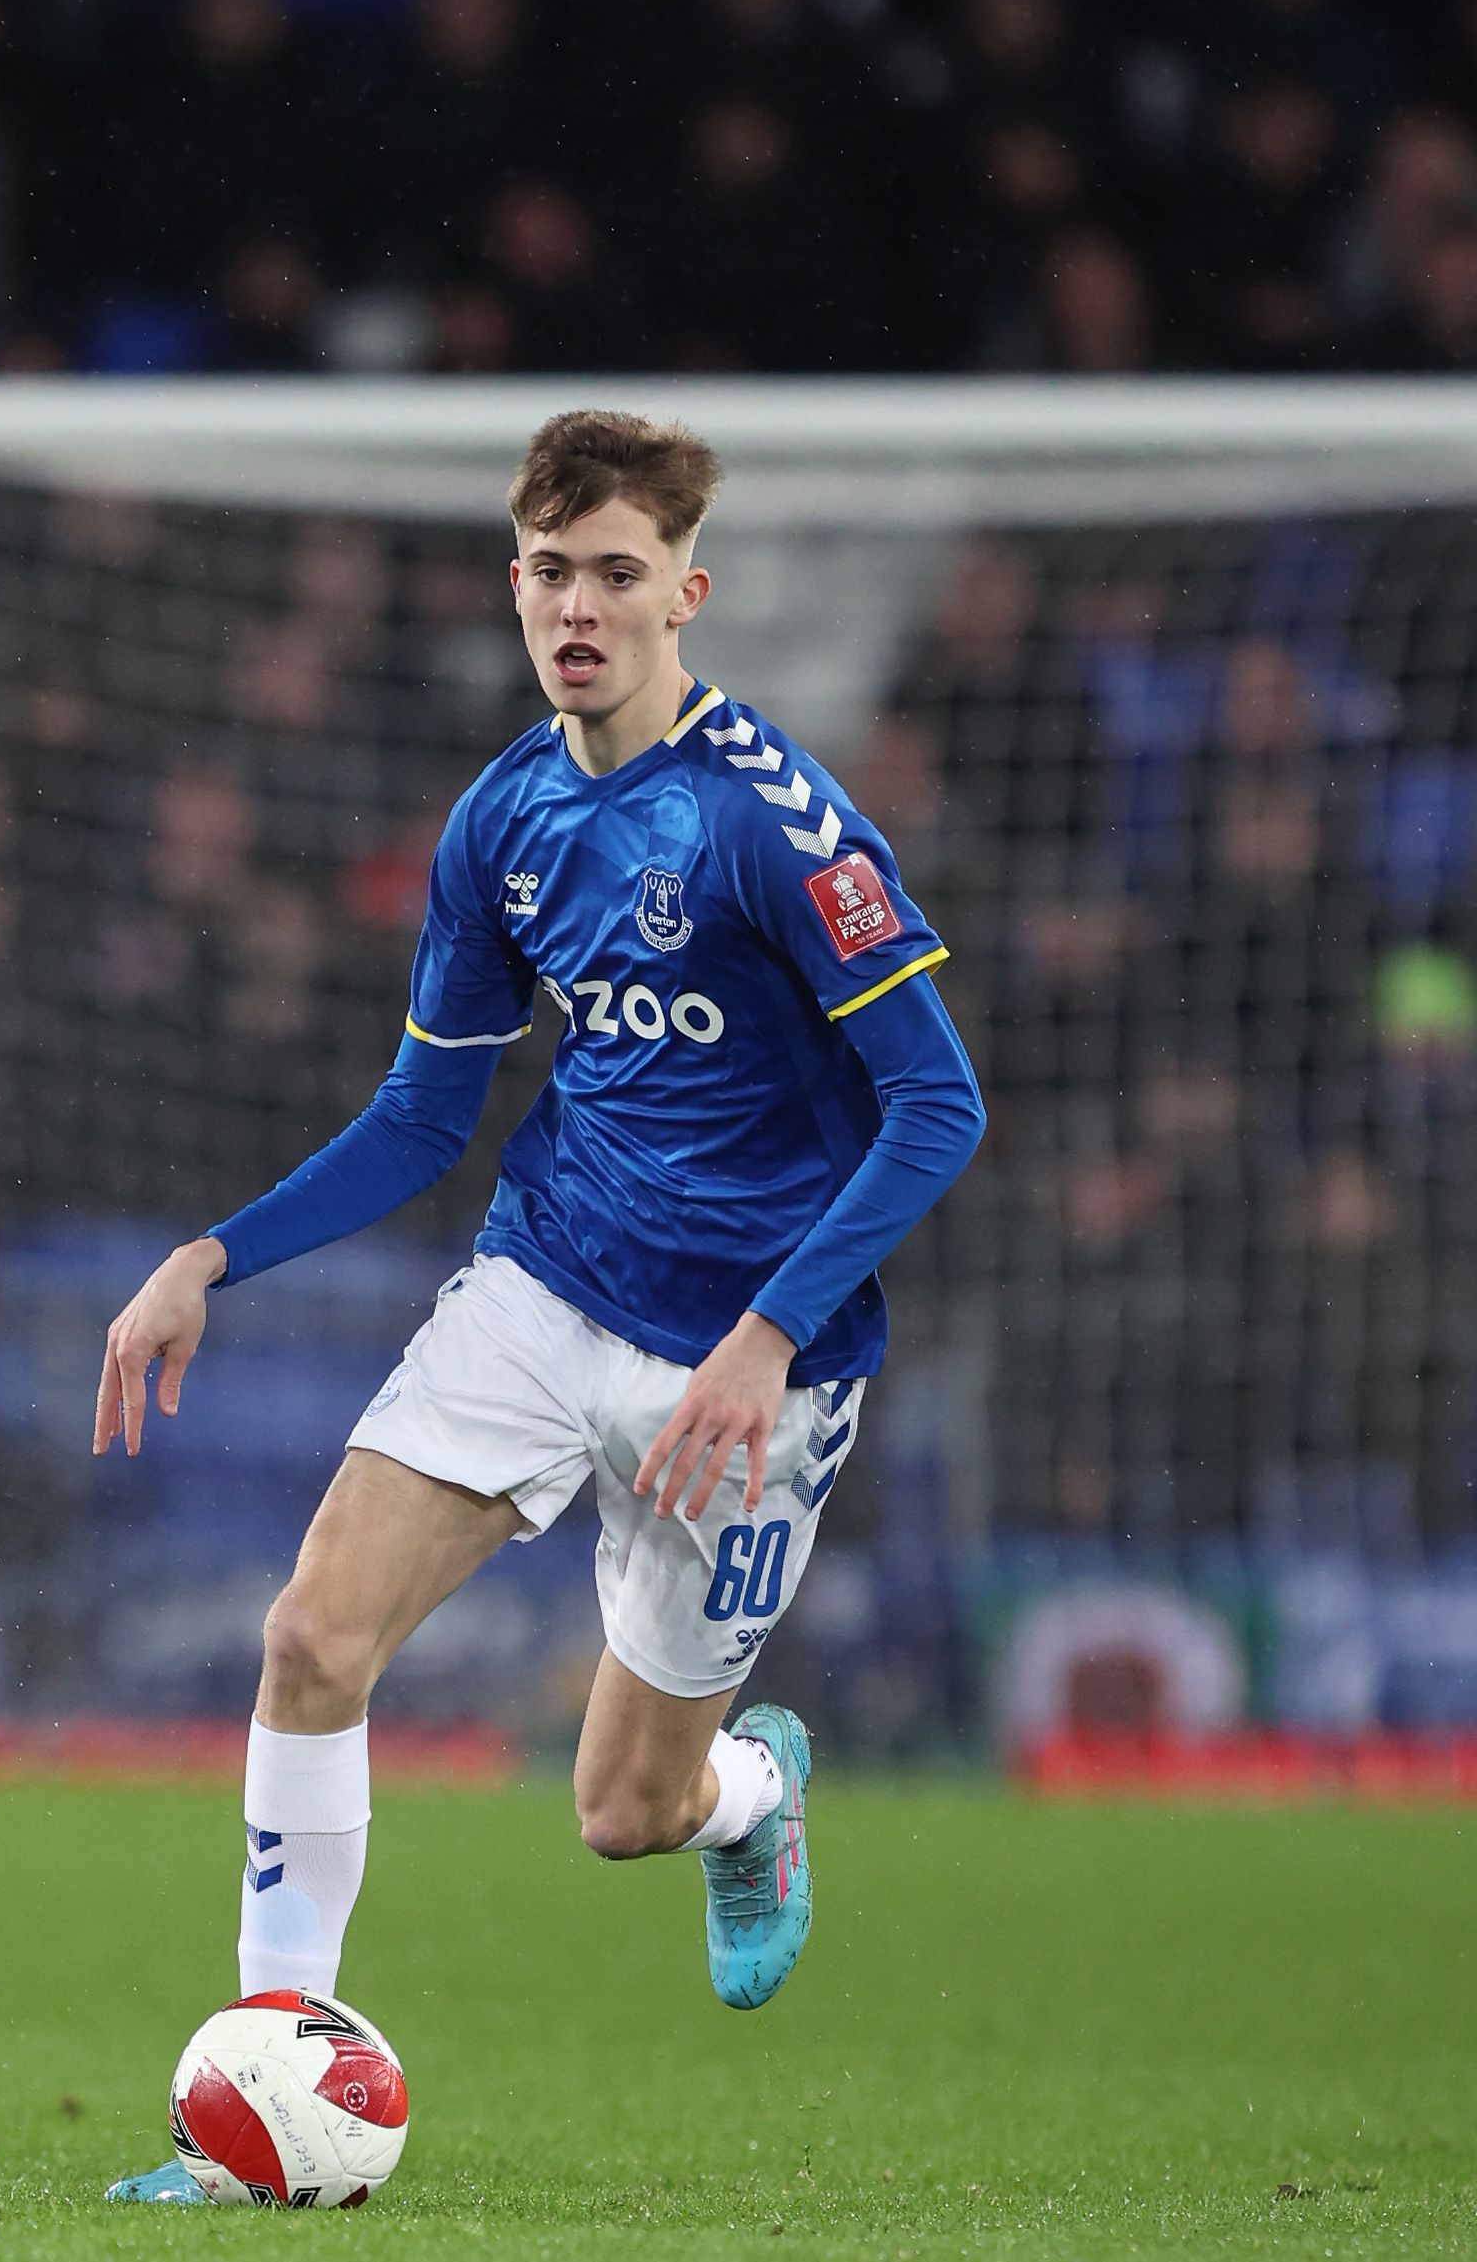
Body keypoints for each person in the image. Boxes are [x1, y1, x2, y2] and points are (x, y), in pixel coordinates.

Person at [96, 412, 984, 2204]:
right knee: (307, 1641)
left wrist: (770, 1331)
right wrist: (210, 1255)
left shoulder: (772, 824)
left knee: (618, 1816)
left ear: (685, 595)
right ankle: (268, 2074)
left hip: (745, 1369)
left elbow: (937, 1105)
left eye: (618, 575)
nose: (579, 606)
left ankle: (749, 1793)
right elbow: (430, 1108)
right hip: (542, 1281)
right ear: (513, 585)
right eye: (551, 573)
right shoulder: (502, 816)